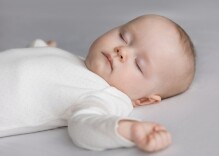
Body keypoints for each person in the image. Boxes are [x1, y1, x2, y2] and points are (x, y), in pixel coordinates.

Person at [0, 14, 195, 152]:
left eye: (138, 64)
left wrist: (127, 129)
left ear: (144, 100)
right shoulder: (77, 60)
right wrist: (44, 48)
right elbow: (37, 66)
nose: (122, 50)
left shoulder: (106, 95)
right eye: (124, 37)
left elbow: (84, 125)